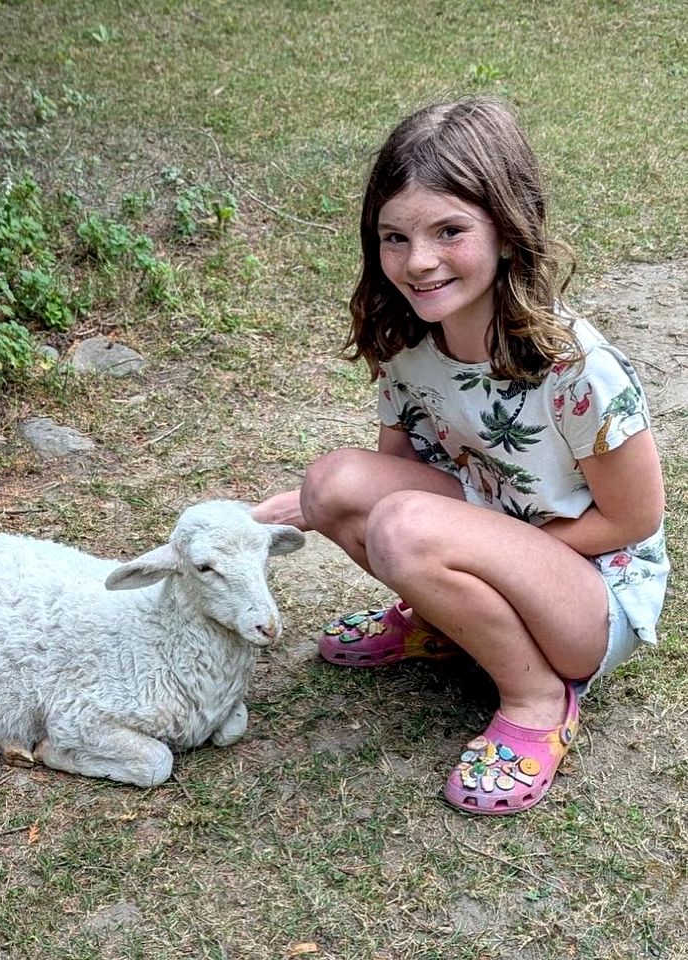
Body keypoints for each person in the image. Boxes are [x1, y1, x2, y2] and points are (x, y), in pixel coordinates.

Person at [252, 95, 669, 815]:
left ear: (507, 231)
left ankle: (537, 698)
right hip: (489, 543)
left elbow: (633, 519)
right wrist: (317, 508)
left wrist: (497, 549)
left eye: (449, 231)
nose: (417, 263)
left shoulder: (575, 367)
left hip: (592, 596)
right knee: (332, 484)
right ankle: (448, 625)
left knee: (405, 528)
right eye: (393, 237)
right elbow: (395, 477)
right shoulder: (408, 346)